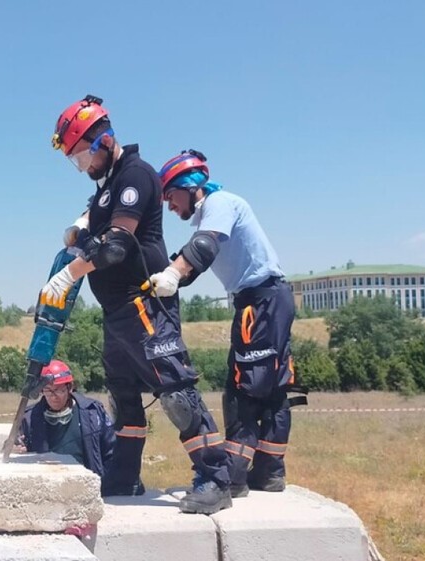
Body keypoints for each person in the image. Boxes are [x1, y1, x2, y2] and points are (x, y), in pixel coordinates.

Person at [38, 95, 233, 514]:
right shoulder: (107, 187)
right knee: (123, 398)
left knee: (176, 393)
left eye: (84, 156)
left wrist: (71, 273)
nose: (84, 167)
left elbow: (118, 246)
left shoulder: (136, 175)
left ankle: (216, 477)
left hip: (143, 304)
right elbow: (93, 224)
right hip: (117, 313)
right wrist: (79, 228)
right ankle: (124, 476)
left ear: (104, 140)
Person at [150, 149, 298, 498]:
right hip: (268, 299)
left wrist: (173, 272)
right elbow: (197, 260)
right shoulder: (216, 211)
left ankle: (232, 479)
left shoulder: (217, 203)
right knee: (272, 388)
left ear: (189, 186)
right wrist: (168, 275)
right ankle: (270, 472)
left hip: (259, 302)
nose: (170, 206)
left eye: (171, 196)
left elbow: (203, 247)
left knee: (243, 390)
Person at [18, 360, 116, 491]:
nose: (53, 397)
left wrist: (104, 486)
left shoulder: (93, 412)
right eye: (48, 391)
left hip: (86, 488)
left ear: (70, 387)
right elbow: (13, 446)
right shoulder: (29, 417)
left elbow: (112, 451)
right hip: (47, 489)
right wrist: (18, 449)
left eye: (59, 390)